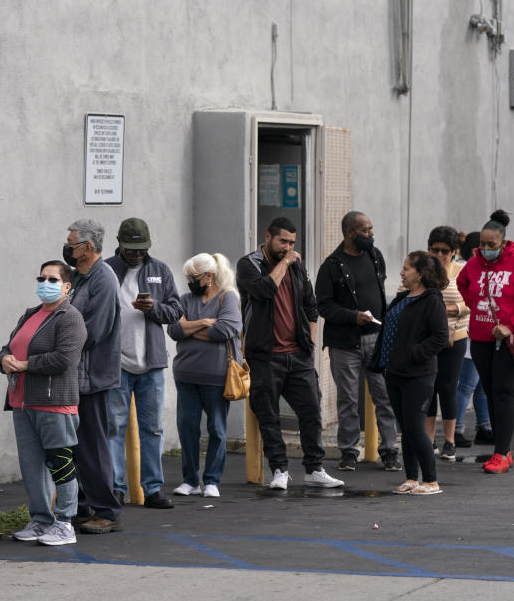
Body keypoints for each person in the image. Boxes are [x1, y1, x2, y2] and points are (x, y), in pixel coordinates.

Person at [236, 217, 344, 489]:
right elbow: (263, 291)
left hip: (298, 354)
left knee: (311, 410)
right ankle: (280, 470)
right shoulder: (249, 265)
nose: (288, 247)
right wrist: (284, 263)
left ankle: (314, 469)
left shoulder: (297, 267)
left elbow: (310, 304)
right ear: (268, 237)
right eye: (283, 241)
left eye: (292, 243)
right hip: (264, 354)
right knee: (268, 413)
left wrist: (309, 340)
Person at [0, 261, 87, 546]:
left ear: (66, 286)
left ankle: (64, 522)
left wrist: (24, 364)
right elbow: (8, 347)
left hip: (54, 401)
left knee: (60, 463)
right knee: (32, 465)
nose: (45, 283)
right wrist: (4, 360)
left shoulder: (69, 318)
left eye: (52, 279)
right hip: (22, 401)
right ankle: (41, 519)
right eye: (41, 277)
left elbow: (65, 359)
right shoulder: (30, 314)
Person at [104, 218, 183, 508]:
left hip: (151, 364)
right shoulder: (108, 269)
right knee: (114, 428)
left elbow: (176, 310)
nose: (137, 254)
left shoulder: (159, 270)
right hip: (116, 364)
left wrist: (154, 309)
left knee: (153, 429)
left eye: (142, 249)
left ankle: (152, 489)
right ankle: (115, 488)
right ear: (120, 243)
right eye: (131, 249)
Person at [315, 211, 400, 472]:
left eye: (371, 230)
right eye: (366, 231)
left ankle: (389, 451)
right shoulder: (332, 265)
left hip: (376, 339)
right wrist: (354, 317)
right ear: (351, 232)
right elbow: (323, 306)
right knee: (348, 399)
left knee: (385, 396)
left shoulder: (375, 256)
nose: (371, 235)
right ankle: (349, 451)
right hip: (345, 344)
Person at [457, 210, 514, 474]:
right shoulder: (473, 265)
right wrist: (476, 308)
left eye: (491, 245)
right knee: (491, 393)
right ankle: (501, 450)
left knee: (503, 393)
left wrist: (509, 325)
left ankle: (501, 453)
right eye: (482, 243)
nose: (485, 249)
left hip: (509, 341)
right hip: (481, 339)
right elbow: (463, 285)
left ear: (503, 242)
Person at [370, 252, 449, 495]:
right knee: (405, 427)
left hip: (418, 373)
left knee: (415, 426)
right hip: (394, 372)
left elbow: (440, 337)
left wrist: (415, 353)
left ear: (421, 273)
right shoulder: (402, 298)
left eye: (406, 269)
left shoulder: (432, 300)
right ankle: (412, 478)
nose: (402, 273)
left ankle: (432, 481)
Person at [64, 219, 124, 534]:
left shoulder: (103, 280)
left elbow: (94, 331)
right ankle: (84, 506)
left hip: (92, 376)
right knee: (77, 446)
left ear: (88, 247)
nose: (68, 248)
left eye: (72, 244)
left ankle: (107, 510)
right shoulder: (79, 278)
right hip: (75, 376)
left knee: (93, 444)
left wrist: (60, 342)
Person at [166, 253, 242, 498]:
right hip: (186, 374)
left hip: (217, 375)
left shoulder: (228, 298)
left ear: (208, 277)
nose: (189, 281)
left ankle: (212, 480)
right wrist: (205, 322)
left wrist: (191, 326)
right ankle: (190, 480)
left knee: (217, 429)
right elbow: (174, 329)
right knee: (187, 428)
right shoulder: (185, 299)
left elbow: (225, 330)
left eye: (193, 277)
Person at [424, 227, 469, 461]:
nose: (439, 255)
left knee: (448, 387)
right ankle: (428, 440)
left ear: (453, 252)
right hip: (427, 338)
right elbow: (407, 295)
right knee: (428, 388)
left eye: (445, 251)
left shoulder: (462, 271)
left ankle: (450, 441)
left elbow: (471, 301)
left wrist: (451, 309)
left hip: (455, 336)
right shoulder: (422, 270)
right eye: (434, 249)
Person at [453, 232, 493, 447]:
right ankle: (457, 429)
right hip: (468, 334)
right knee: (467, 384)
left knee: (481, 386)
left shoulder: (479, 269)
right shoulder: (466, 269)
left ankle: (484, 426)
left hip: (480, 333)